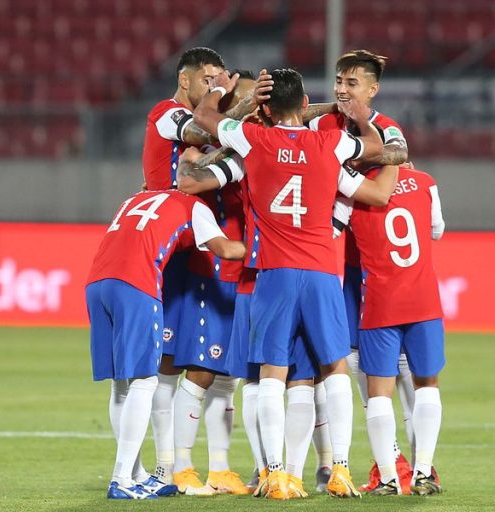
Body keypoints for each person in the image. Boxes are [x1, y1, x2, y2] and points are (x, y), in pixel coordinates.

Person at [192, 67, 396, 499]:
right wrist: (361, 117)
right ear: (306, 104)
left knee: (271, 372)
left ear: (265, 107)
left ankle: (278, 474)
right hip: (322, 271)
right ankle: (340, 468)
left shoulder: (254, 139)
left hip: (274, 272)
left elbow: (206, 120)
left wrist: (220, 93)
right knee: (335, 367)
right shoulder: (331, 141)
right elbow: (377, 148)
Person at [141, 47, 265, 487]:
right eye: (208, 78)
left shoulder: (212, 135)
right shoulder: (166, 113)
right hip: (176, 252)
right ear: (184, 79)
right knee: (171, 364)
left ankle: (212, 466)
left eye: (220, 78)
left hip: (206, 251)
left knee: (218, 368)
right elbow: (191, 161)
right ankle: (170, 465)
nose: (215, 85)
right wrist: (246, 110)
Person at [85, 188, 245, 499]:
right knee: (145, 381)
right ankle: (121, 480)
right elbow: (224, 249)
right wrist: (266, 247)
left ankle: (135, 474)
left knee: (121, 385)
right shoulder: (195, 206)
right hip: (136, 285)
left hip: (96, 283)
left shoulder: (133, 198)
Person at [314, 49, 416, 491]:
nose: (341, 89)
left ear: (372, 91)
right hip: (332, 258)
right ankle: (375, 458)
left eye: (351, 83)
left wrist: (349, 158)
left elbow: (400, 153)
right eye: (338, 80)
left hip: (374, 262)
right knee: (342, 359)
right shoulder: (325, 122)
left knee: (400, 366)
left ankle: (415, 462)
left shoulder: (387, 127)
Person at [168, 71, 256, 496]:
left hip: (247, 270)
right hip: (214, 265)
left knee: (227, 376)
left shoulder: (259, 147)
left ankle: (220, 468)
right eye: (246, 104)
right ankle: (181, 466)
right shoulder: (203, 151)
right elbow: (187, 180)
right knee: (202, 369)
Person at [349, 163, 446, 495]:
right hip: (423, 300)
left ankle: (389, 477)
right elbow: (437, 230)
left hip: (379, 301)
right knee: (427, 385)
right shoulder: (425, 182)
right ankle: (423, 473)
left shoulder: (354, 191)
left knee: (379, 392)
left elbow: (332, 230)